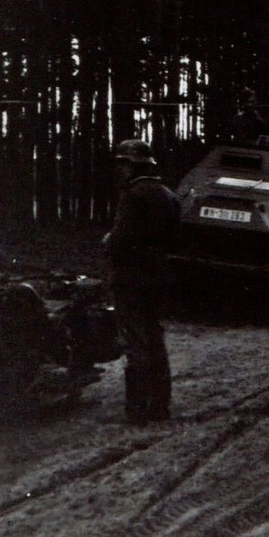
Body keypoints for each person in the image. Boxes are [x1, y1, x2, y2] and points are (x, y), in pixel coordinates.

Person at [105, 139, 180, 424]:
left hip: (130, 279)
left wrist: (109, 241)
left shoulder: (132, 195)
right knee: (155, 338)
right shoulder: (169, 196)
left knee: (135, 341)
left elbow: (120, 240)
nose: (120, 169)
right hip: (159, 276)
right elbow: (174, 239)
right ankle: (160, 406)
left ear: (134, 166)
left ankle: (136, 410)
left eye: (123, 164)